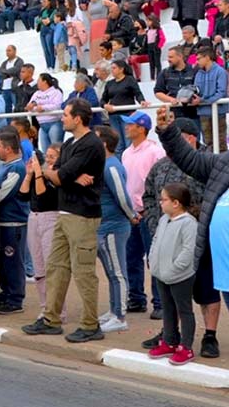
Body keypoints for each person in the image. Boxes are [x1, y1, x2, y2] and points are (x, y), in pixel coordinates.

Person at [23, 99, 106, 343]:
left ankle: (91, 325)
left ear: (78, 118)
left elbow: (58, 176)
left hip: (83, 215)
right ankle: (51, 319)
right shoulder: (69, 143)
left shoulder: (91, 144)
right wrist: (64, 175)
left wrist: (56, 174)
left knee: (83, 273)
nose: (62, 118)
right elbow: (58, 172)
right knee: (55, 268)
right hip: (64, 213)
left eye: (67, 115)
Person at [154, 107, 227, 359]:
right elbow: (190, 159)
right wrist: (168, 131)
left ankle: (209, 335)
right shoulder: (223, 164)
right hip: (223, 264)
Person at [120, 111, 168, 319]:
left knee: (154, 259)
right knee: (132, 258)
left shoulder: (155, 152)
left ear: (141, 128)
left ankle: (160, 302)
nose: (126, 127)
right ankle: (136, 298)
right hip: (131, 213)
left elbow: (161, 182)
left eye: (130, 125)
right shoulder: (126, 153)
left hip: (149, 212)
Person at [147, 182, 199, 366]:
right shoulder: (163, 220)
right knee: (167, 309)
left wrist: (173, 269)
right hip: (161, 274)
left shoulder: (189, 223)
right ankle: (170, 341)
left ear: (176, 203)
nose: (160, 202)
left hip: (180, 276)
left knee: (184, 310)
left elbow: (188, 251)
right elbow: (155, 241)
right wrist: (153, 262)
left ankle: (186, 347)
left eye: (164, 199)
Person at [94, 126, 136, 333]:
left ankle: (120, 316)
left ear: (103, 144)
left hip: (114, 226)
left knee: (118, 272)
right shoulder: (103, 164)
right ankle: (113, 311)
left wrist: (132, 215)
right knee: (111, 272)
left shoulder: (111, 166)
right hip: (104, 226)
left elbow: (122, 196)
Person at [18, 144, 60, 316]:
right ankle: (45, 307)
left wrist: (39, 173)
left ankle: (56, 310)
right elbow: (22, 195)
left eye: (52, 156)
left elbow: (43, 194)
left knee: (51, 266)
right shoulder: (38, 174)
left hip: (50, 218)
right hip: (34, 217)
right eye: (47, 156)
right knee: (39, 267)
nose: (48, 160)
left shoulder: (57, 176)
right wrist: (29, 174)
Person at [0, 131, 30, 315]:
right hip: (3, 223)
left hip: (14, 223)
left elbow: (1, 194)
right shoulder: (3, 166)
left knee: (13, 262)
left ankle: (15, 299)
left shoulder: (17, 169)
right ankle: (6, 294)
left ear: (8, 149)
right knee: (3, 263)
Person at [102, 60, 147, 155]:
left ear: (121, 69)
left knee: (128, 142)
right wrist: (105, 105)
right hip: (113, 116)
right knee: (118, 145)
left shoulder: (129, 80)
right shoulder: (109, 83)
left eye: (114, 68)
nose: (112, 70)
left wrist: (142, 101)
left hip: (127, 115)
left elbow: (137, 93)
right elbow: (103, 100)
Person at [193, 46, 228, 153]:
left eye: (199, 58)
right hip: (204, 112)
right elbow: (196, 90)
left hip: (218, 112)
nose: (197, 61)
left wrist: (202, 101)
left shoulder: (220, 71)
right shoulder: (198, 73)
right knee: (208, 142)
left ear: (207, 57)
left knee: (220, 142)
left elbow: (221, 93)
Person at [27, 73, 64, 151]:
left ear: (45, 81)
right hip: (42, 125)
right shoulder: (36, 94)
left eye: (39, 80)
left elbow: (57, 105)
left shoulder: (56, 92)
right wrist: (32, 107)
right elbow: (30, 105)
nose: (37, 82)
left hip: (54, 122)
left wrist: (43, 108)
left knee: (56, 149)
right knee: (45, 151)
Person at [0, 45, 24, 114]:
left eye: (9, 50)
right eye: (6, 51)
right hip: (4, 89)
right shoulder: (4, 63)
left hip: (14, 88)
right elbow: (0, 73)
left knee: (17, 107)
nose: (7, 52)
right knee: (7, 109)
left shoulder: (19, 61)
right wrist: (9, 74)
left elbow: (16, 70)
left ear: (15, 51)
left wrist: (5, 73)